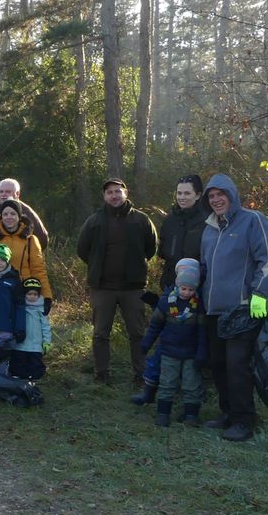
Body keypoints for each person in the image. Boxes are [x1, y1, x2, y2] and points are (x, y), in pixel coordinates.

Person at [200, 174, 268, 443]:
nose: (216, 200)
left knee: (237, 366)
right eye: (211, 196)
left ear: (232, 195)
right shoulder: (210, 229)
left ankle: (244, 420)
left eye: (220, 194)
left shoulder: (253, 220)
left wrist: (259, 294)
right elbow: (205, 268)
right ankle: (228, 413)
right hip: (213, 310)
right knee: (218, 364)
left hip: (242, 310)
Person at [131, 173, 210, 405]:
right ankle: (151, 388)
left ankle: (193, 394)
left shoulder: (207, 221)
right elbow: (163, 252)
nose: (182, 197)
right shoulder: (170, 221)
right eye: (179, 193)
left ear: (198, 195)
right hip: (171, 289)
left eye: (187, 193)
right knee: (165, 340)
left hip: (197, 293)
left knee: (195, 341)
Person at [76, 178, 157, 385]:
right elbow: (82, 250)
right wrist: (97, 267)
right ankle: (101, 374)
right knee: (101, 334)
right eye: (110, 192)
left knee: (137, 333)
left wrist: (135, 267)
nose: (114, 195)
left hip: (134, 288)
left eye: (117, 192)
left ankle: (141, 374)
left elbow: (151, 248)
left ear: (126, 193)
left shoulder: (141, 220)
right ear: (104, 196)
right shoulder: (94, 221)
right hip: (103, 288)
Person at [140, 258, 208, 428]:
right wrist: (146, 343)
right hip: (169, 352)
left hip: (191, 353)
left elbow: (202, 332)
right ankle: (163, 414)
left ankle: (191, 416)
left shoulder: (198, 305)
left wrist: (201, 353)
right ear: (178, 286)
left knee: (192, 385)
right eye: (184, 288)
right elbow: (155, 325)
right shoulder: (166, 302)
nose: (186, 292)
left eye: (191, 289)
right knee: (167, 382)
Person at [0, 199, 54, 303]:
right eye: (5, 214)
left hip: (24, 291)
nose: (9, 217)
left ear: (19, 216)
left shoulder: (31, 240)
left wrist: (46, 296)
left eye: (13, 214)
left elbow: (38, 270)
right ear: (1, 216)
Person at [0, 178, 50, 249]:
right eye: (1, 191)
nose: (3, 195)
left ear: (17, 194)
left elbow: (42, 238)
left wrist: (29, 254)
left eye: (7, 192)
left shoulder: (26, 211)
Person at [10, 278, 52, 380]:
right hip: (21, 343)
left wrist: (47, 341)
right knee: (19, 361)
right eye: (29, 294)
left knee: (35, 363)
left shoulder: (41, 309)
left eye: (35, 294)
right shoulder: (20, 308)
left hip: (36, 344)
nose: (32, 297)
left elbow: (46, 327)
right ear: (25, 294)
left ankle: (34, 377)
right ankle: (18, 376)